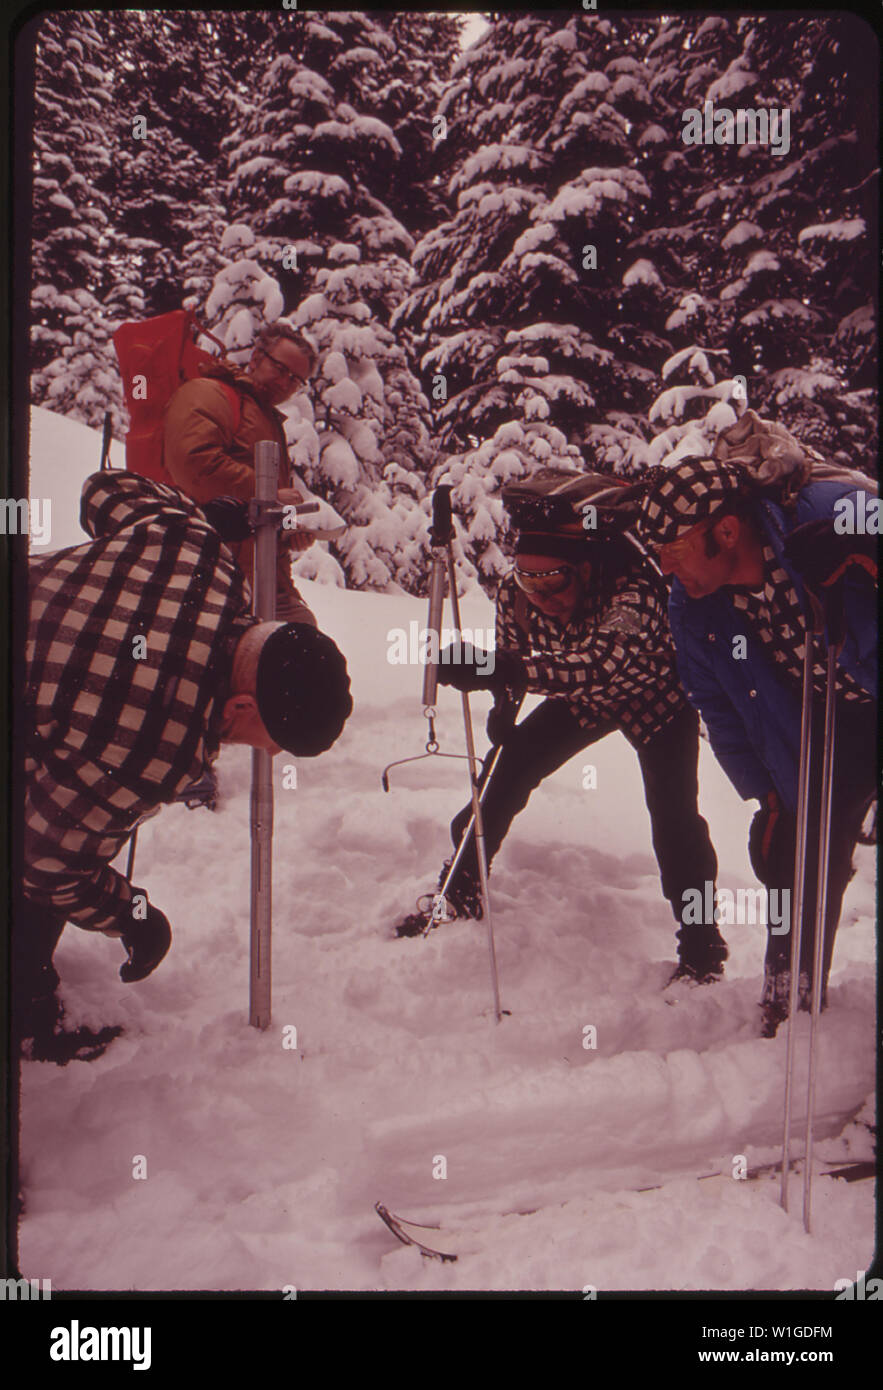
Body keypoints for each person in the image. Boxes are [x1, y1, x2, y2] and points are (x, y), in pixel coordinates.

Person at [17, 470, 353, 1064]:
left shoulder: (198, 553)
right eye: (267, 743)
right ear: (242, 706)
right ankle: (23, 1013)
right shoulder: (157, 747)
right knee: (46, 852)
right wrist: (134, 916)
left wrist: (197, 514)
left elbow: (103, 490)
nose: (266, 755)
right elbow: (47, 864)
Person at [394, 519, 725, 988]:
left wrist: (500, 669)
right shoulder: (516, 593)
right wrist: (504, 703)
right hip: (579, 700)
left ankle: (701, 945)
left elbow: (598, 664)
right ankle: (462, 886)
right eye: (530, 580)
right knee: (503, 777)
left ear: (585, 570)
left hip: (654, 699)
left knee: (676, 822)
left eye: (554, 581)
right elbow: (516, 648)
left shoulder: (632, 594)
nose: (541, 595)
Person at [637, 455, 877, 1036]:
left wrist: (865, 545)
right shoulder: (695, 606)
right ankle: (789, 1001)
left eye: (675, 552)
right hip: (833, 721)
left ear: (725, 530)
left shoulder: (824, 514)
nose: (669, 573)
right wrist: (768, 795)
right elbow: (716, 704)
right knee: (802, 852)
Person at [163, 321, 320, 624]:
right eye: (281, 368)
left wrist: (289, 533)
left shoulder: (267, 420)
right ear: (257, 357)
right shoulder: (209, 393)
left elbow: (264, 508)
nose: (286, 383)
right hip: (210, 574)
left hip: (263, 582)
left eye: (296, 379)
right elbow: (194, 463)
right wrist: (268, 495)